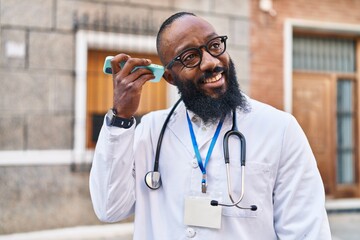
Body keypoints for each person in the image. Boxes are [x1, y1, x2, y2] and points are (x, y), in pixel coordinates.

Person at [89, 12, 332, 239]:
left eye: (214, 45)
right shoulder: (151, 131)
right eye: (190, 56)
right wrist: (121, 117)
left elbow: (307, 232)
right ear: (170, 77)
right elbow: (109, 208)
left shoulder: (279, 129)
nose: (210, 61)